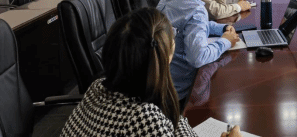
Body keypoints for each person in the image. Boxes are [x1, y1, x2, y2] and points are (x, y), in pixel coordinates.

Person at [60, 7, 225, 136]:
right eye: (173, 37)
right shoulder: (144, 118)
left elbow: (173, 122)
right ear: (163, 56)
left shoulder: (96, 87)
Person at [157, 0, 241, 105]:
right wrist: (226, 42)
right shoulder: (196, 10)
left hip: (160, 82)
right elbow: (198, 58)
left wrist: (222, 28)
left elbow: (190, 25)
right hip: (179, 92)